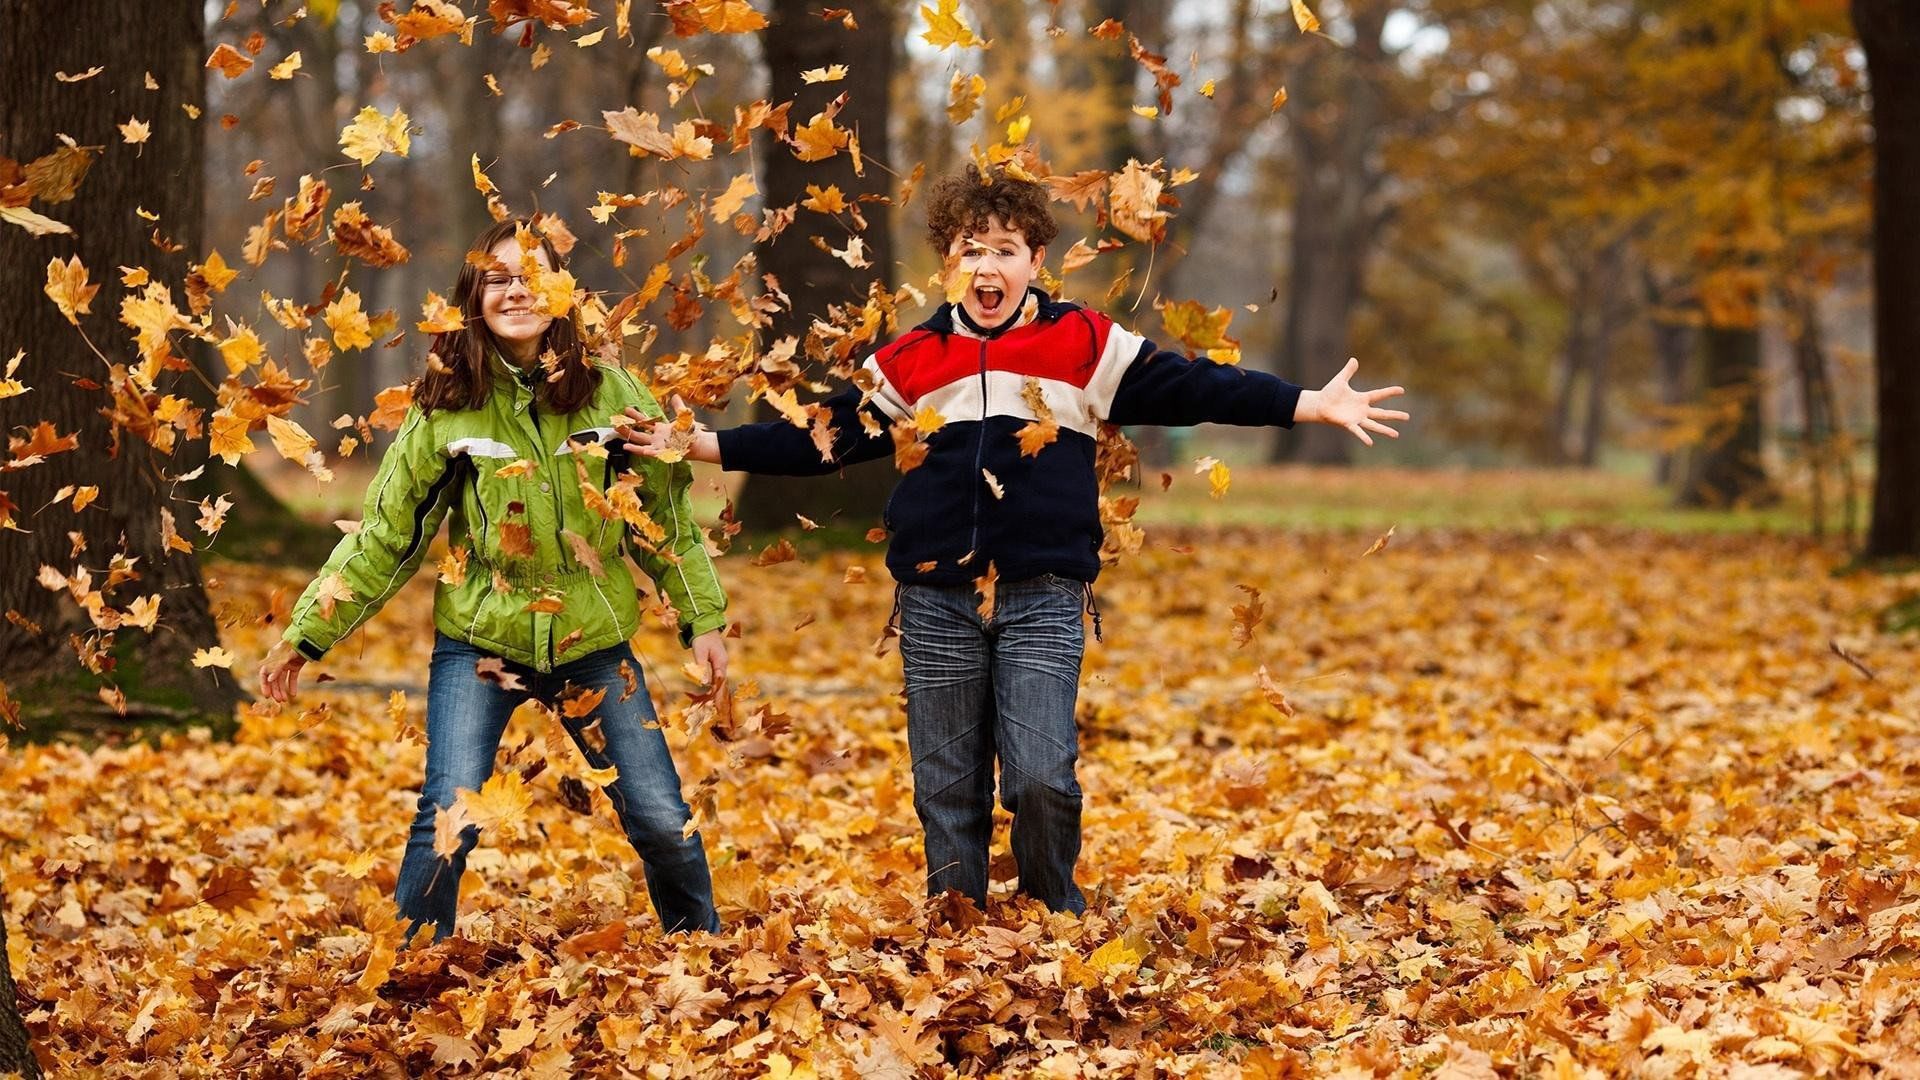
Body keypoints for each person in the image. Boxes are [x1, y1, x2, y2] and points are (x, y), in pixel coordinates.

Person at [621, 164, 1408, 915]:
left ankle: (1050, 913)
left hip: (1043, 592)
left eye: (1004, 250)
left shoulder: (1085, 344)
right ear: (947, 264)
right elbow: (819, 437)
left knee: (1041, 776)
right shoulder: (911, 361)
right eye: (970, 250)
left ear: (1036, 258)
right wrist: (693, 444)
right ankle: (956, 924)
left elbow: (1198, 385)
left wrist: (1307, 404)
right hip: (935, 596)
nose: (986, 266)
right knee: (947, 784)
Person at [257, 219, 730, 940]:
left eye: (534, 277)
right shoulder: (446, 402)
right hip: (481, 642)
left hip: (593, 641)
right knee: (447, 819)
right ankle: (413, 966)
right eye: (499, 277)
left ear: (565, 294)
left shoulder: (614, 394)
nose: (517, 291)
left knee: (663, 819)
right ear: (473, 295)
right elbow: (390, 533)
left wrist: (703, 619)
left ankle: (705, 954)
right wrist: (307, 635)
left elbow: (661, 516)